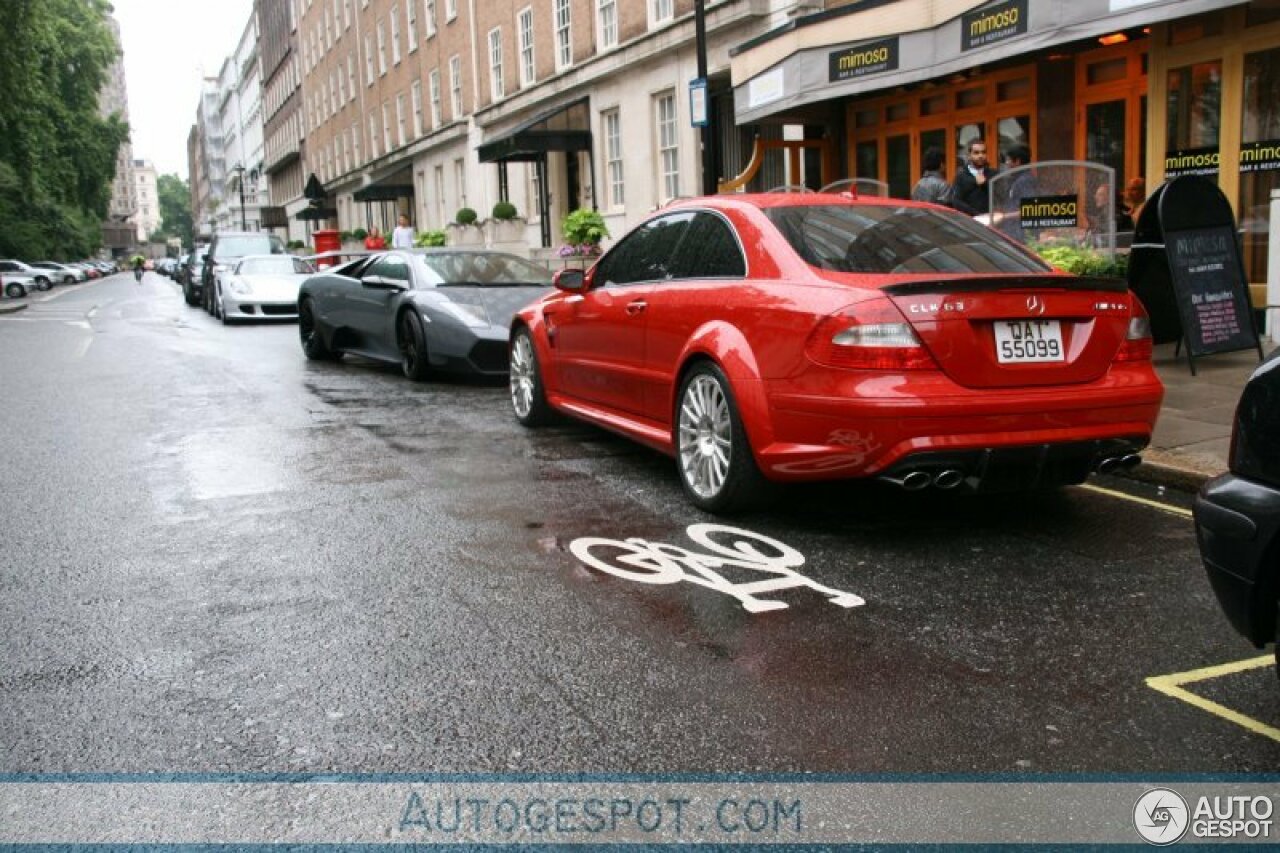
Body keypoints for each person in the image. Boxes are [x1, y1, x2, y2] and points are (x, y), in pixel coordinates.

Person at [951, 138, 999, 217]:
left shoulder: (993, 174)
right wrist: (976, 214)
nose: (980, 156)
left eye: (983, 152)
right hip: (970, 223)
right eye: (976, 153)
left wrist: (985, 183)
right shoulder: (961, 176)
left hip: (991, 221)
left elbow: (1000, 196)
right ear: (969, 155)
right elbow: (956, 201)